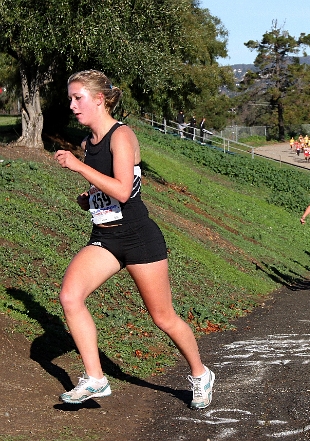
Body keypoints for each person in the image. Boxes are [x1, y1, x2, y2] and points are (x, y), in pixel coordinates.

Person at [54, 70, 213, 408]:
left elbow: (125, 191)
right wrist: (90, 197)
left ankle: (201, 374)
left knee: (163, 317)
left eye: (77, 98)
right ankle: (96, 379)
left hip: (139, 237)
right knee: (70, 296)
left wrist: (78, 168)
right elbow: (109, 186)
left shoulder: (121, 136)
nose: (72, 105)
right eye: (70, 98)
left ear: (99, 99)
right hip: (106, 238)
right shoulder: (88, 143)